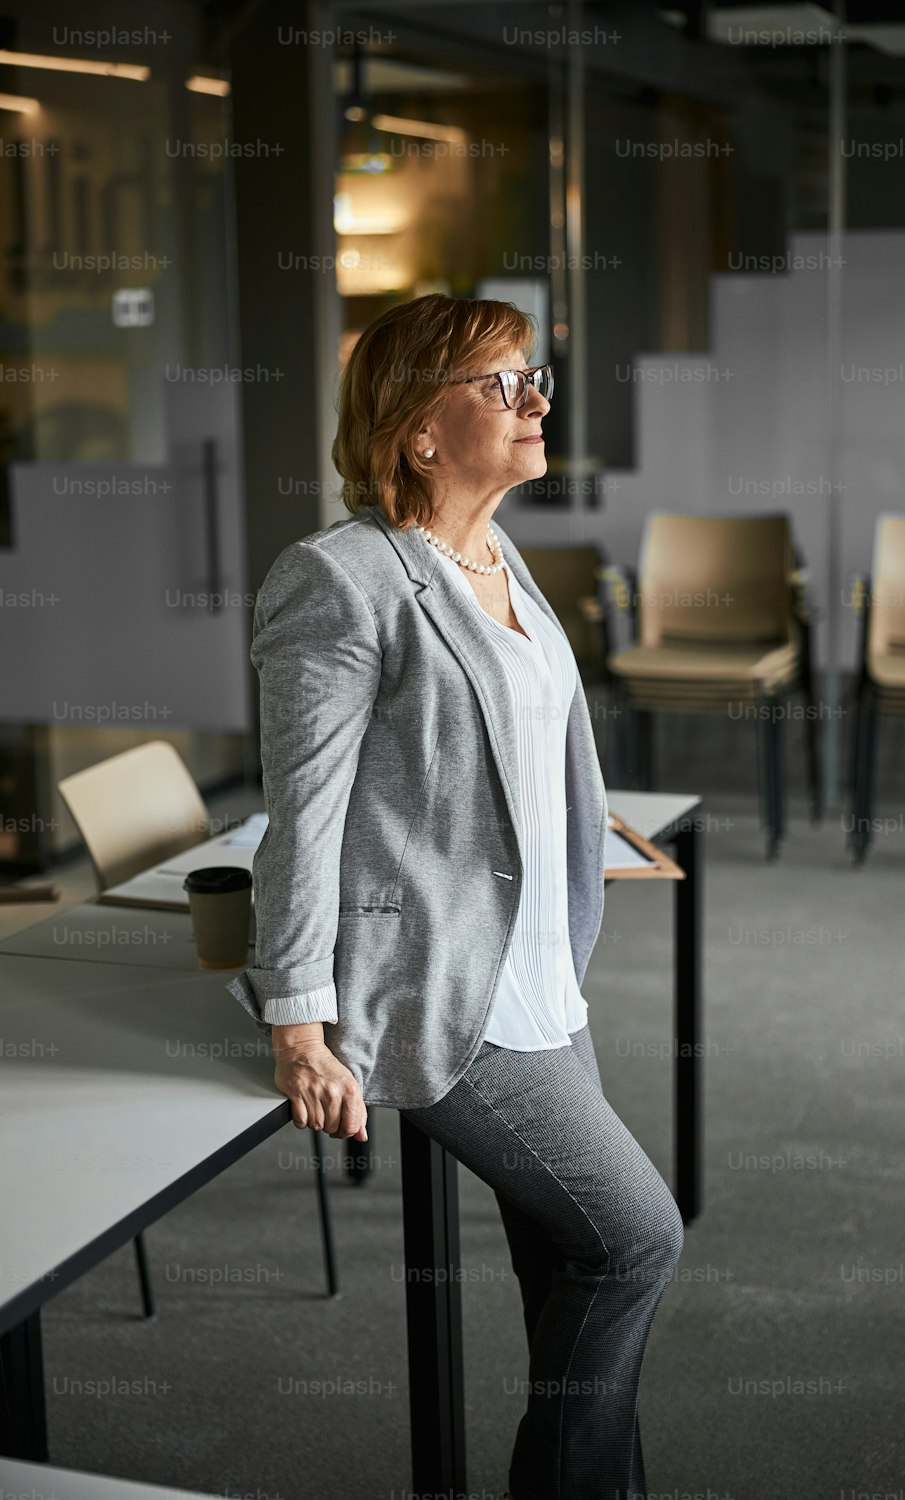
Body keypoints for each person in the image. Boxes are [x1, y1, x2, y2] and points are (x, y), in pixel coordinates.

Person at [225, 294, 684, 1500]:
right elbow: (304, 818)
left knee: (570, 1276)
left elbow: (502, 756)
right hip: (439, 989)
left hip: (541, 973)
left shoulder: (498, 558)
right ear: (419, 430)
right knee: (636, 1240)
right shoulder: (339, 580)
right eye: (501, 384)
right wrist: (296, 1026)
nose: (537, 400)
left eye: (534, 377)